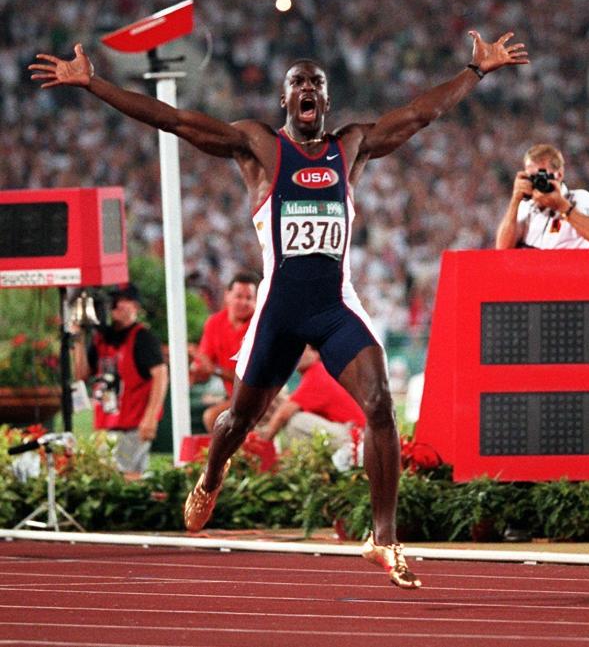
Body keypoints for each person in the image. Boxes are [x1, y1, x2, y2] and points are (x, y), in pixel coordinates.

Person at [32, 32, 527, 589]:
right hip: (279, 311)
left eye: (317, 82)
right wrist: (94, 83)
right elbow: (174, 120)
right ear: (284, 100)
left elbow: (419, 115)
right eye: (298, 82)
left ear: (327, 101)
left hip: (336, 307)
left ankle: (384, 538)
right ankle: (212, 476)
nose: (308, 88)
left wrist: (475, 71)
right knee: (239, 420)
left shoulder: (351, 146)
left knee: (381, 404)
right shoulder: (259, 148)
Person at [71, 285, 168, 479]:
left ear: (136, 307)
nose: (118, 305)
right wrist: (79, 339)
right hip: (105, 424)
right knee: (106, 476)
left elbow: (161, 374)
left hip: (132, 424)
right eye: (116, 300)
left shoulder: (142, 337)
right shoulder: (101, 338)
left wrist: (150, 417)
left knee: (127, 477)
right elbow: (82, 374)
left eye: (125, 300)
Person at [494, 143, 589, 249]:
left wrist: (563, 206)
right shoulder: (525, 205)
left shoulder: (579, 199)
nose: (538, 181)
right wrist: (515, 200)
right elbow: (503, 247)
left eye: (542, 175)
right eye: (532, 176)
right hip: (530, 268)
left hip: (566, 268)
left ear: (559, 174)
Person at [257, 345, 364, 456]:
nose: (294, 355)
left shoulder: (318, 371)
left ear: (316, 353)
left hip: (354, 437)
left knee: (295, 421)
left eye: (300, 350)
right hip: (351, 434)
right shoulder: (321, 371)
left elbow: (283, 414)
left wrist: (262, 441)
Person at [190, 272, 259, 431]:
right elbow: (203, 366)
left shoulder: (259, 326)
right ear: (227, 295)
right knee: (214, 417)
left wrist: (214, 369)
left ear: (257, 301)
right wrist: (194, 370)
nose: (243, 302)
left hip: (261, 394)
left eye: (249, 298)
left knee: (213, 417)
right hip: (234, 397)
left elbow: (251, 377)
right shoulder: (214, 323)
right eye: (238, 296)